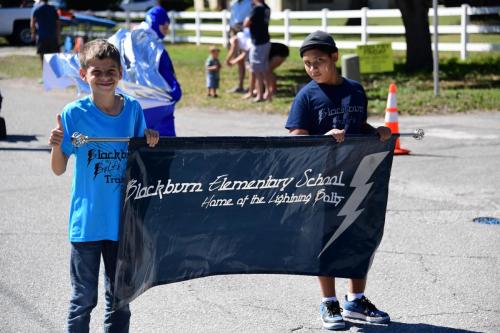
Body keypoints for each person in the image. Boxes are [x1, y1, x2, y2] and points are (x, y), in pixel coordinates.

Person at [48, 39, 159, 332]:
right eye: (97, 71)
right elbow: (59, 169)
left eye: (111, 70)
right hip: (86, 223)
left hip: (122, 223)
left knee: (120, 300)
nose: (105, 76)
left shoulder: (133, 109)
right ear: (84, 75)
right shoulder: (74, 114)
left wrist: (150, 139)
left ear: (121, 73)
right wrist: (57, 146)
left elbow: (142, 160)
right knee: (83, 299)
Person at [285, 30, 392, 331]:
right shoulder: (306, 96)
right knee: (327, 240)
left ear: (334, 57)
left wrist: (377, 131)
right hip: (322, 181)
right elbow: (295, 137)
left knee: (359, 237)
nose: (313, 68)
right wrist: (323, 139)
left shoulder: (355, 90)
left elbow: (357, 126)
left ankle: (355, 300)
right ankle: (329, 301)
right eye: (307, 63)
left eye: (319, 61)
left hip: (358, 176)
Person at [141, 0, 182, 136]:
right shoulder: (156, 48)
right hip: (159, 106)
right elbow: (166, 74)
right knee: (164, 150)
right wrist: (176, 93)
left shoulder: (131, 41)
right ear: (155, 23)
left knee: (139, 148)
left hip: (135, 107)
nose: (166, 27)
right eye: (164, 24)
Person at [226, 28, 289, 100]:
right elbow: (244, 53)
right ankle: (258, 91)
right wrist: (233, 61)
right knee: (261, 71)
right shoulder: (244, 39)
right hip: (279, 49)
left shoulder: (235, 39)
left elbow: (235, 48)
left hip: (278, 51)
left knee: (265, 71)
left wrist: (228, 60)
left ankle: (271, 91)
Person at [243, 0, 271, 102]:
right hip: (266, 41)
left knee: (257, 70)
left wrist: (247, 17)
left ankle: (259, 95)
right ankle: (268, 93)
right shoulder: (266, 8)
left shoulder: (257, 9)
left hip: (258, 43)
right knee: (265, 69)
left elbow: (246, 23)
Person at [228, 0, 252, 93]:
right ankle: (240, 85)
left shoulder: (249, 3)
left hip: (245, 32)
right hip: (234, 30)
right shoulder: (234, 4)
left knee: (247, 60)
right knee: (239, 61)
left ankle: (252, 87)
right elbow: (232, 18)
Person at [30, 0, 61, 68]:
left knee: (43, 58)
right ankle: (54, 75)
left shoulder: (36, 9)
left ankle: (45, 74)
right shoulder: (53, 9)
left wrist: (33, 34)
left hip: (41, 36)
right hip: (52, 36)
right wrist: (58, 36)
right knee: (54, 57)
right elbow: (58, 23)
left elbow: (32, 23)